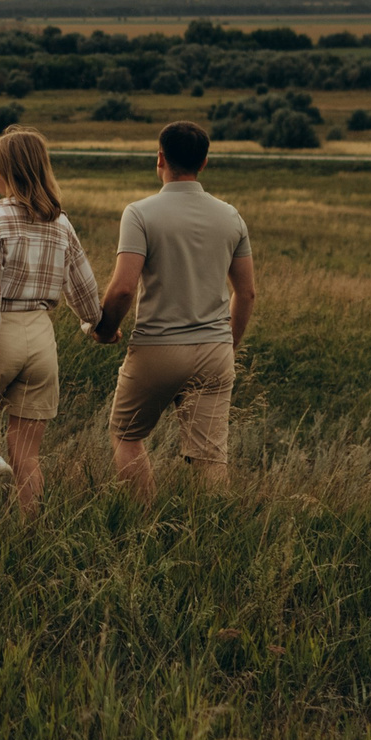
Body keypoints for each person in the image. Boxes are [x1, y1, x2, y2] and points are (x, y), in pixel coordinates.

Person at [92, 120, 255, 503]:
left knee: (126, 435)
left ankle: (145, 519)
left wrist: (105, 329)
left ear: (160, 158)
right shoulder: (231, 216)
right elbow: (246, 293)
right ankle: (214, 529)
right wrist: (227, 345)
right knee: (209, 457)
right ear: (205, 162)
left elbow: (124, 288)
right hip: (215, 350)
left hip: (157, 348)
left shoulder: (140, 213)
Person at [0, 126, 101, 517]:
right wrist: (95, 325)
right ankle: (31, 531)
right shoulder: (61, 223)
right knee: (28, 454)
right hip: (41, 337)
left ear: (8, 169)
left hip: (0, 333)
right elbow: (85, 292)